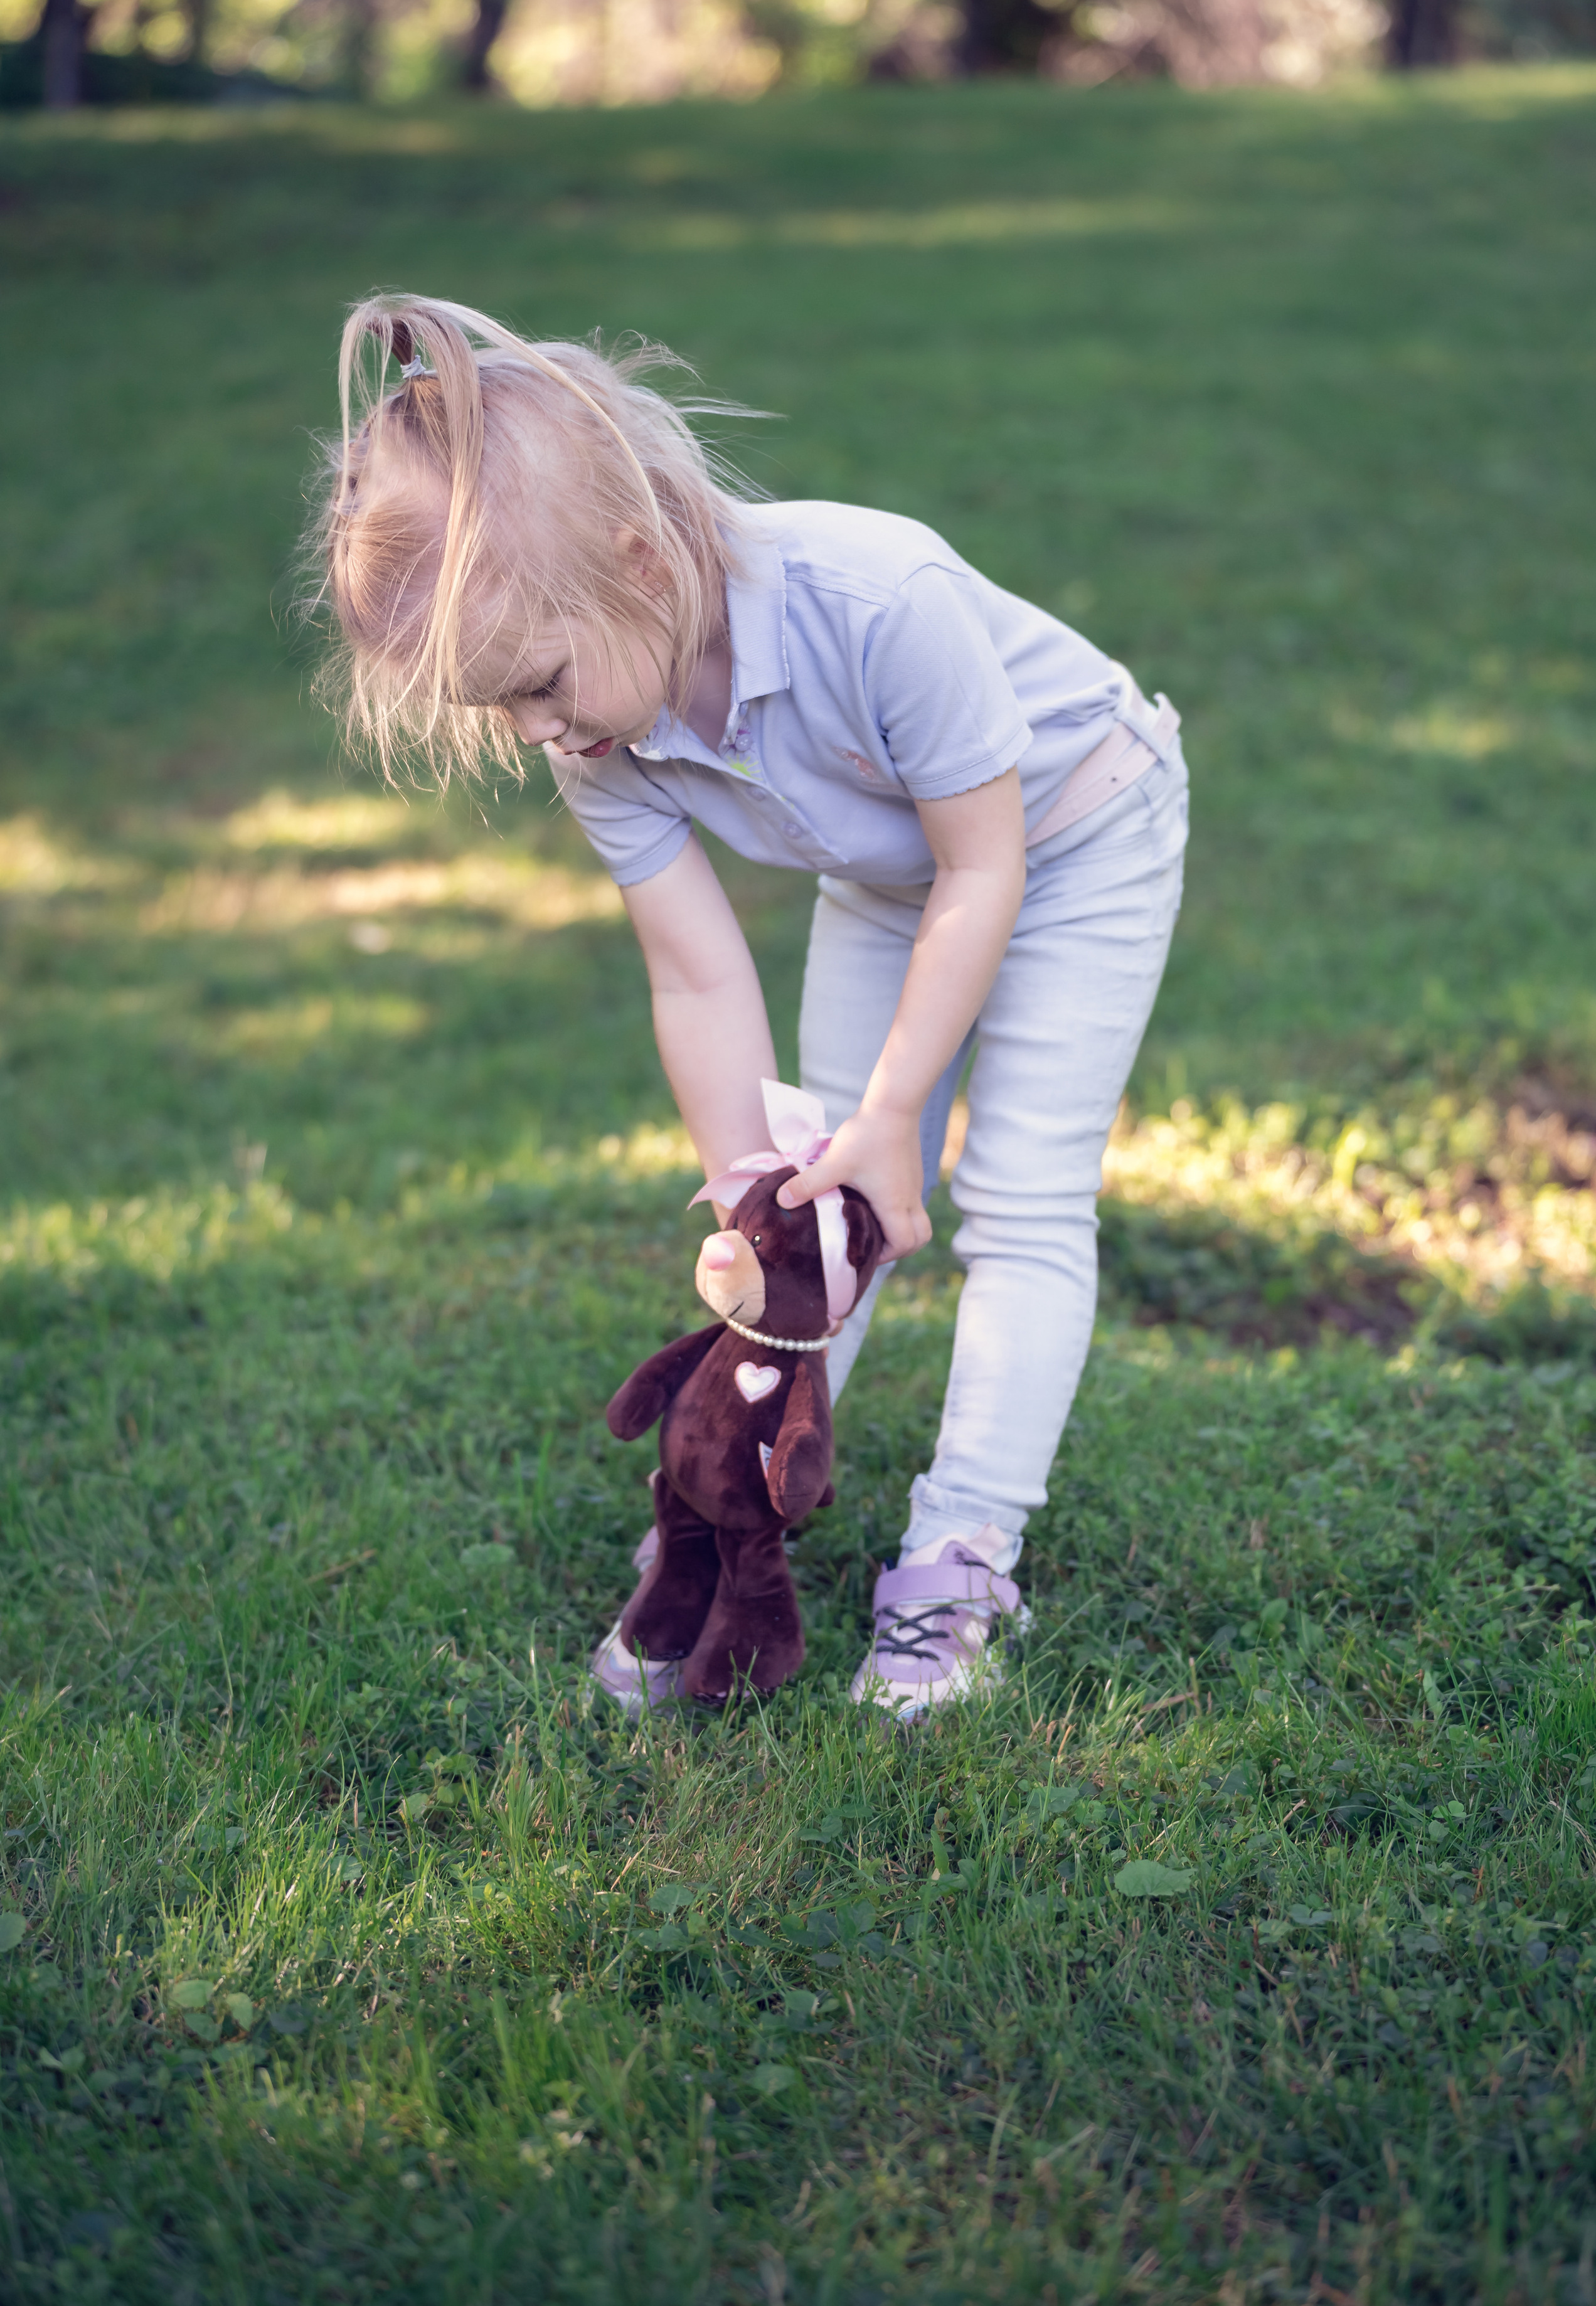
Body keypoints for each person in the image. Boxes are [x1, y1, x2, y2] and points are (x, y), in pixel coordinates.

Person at [314, 293, 1188, 1719]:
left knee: (1016, 1199)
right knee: (816, 1212)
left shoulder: (875, 598)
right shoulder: (596, 725)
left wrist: (898, 1112)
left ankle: (961, 1553)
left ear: (640, 562)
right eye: (502, 711)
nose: (538, 733)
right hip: (895, 876)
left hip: (1074, 831)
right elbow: (696, 968)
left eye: (536, 686)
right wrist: (748, 1193)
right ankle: (731, 1520)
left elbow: (987, 863)